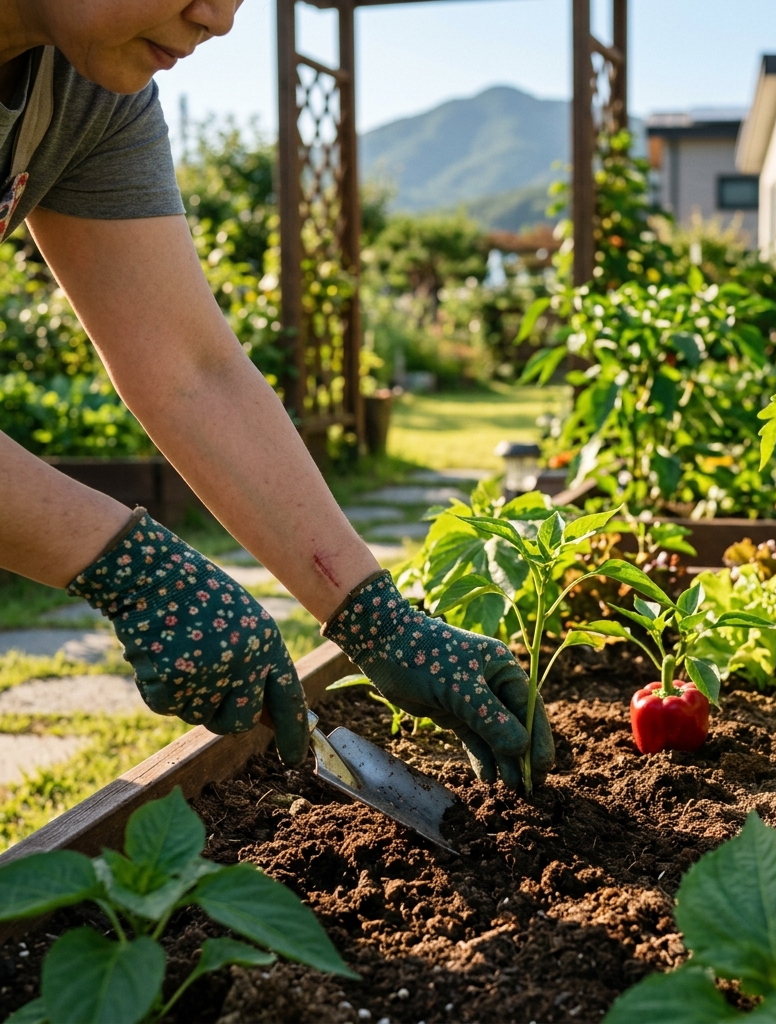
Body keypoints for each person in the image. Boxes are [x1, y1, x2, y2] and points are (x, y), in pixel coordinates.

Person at [0, 0, 553, 788]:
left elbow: (189, 367)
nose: (219, 17)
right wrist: (127, 563)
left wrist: (373, 616)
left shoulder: (89, 88)